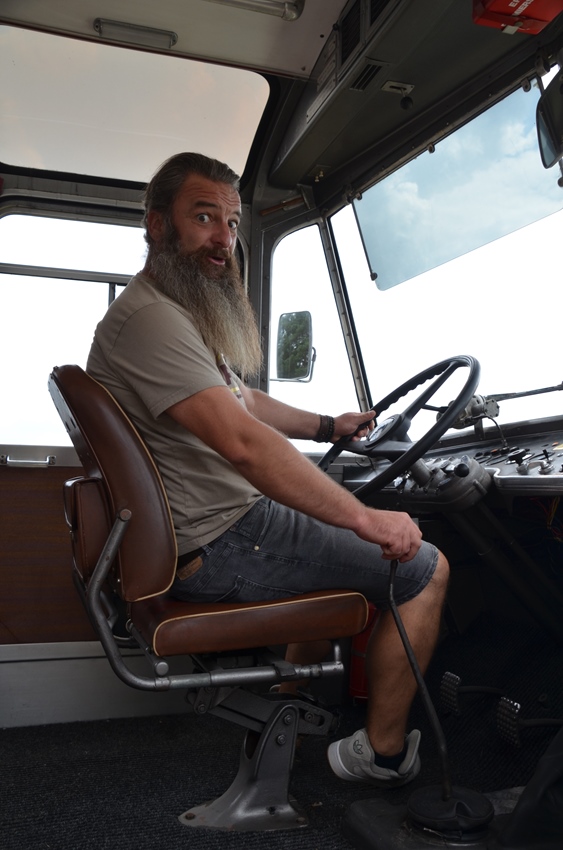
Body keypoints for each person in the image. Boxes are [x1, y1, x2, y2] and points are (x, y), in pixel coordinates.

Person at [87, 152, 450, 788]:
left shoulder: (171, 313)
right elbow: (244, 443)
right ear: (157, 224)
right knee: (424, 567)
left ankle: (288, 702)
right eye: (204, 217)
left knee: (322, 527)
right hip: (224, 540)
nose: (223, 239)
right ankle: (383, 755)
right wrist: (367, 520)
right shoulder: (151, 320)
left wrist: (327, 426)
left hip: (214, 531)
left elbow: (244, 402)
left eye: (231, 223)